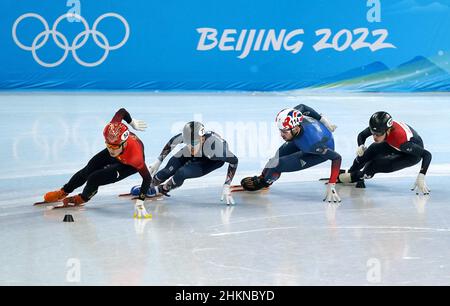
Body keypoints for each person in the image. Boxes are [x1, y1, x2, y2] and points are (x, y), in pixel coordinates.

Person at [42, 108, 153, 218]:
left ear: (123, 143)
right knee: (88, 169)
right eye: (108, 145)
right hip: (121, 154)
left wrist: (140, 201)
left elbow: (147, 178)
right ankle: (64, 191)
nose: (111, 150)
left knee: (95, 178)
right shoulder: (113, 128)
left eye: (114, 147)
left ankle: (83, 198)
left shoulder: (135, 157)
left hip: (127, 164)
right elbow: (122, 111)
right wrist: (132, 122)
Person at [241, 104, 342, 203]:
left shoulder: (312, 144)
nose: (281, 135)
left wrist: (331, 184)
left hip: (316, 152)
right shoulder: (294, 116)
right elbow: (303, 106)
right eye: (280, 131)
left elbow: (337, 158)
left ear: (296, 128)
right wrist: (323, 120)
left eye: (284, 132)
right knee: (276, 157)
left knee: (277, 164)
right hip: (303, 138)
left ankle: (264, 183)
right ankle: (263, 177)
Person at [131, 121, 238, 205]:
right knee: (165, 172)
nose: (190, 146)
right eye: (187, 142)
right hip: (195, 152)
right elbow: (172, 142)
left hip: (209, 162)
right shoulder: (190, 136)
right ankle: (151, 184)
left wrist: (227, 185)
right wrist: (158, 161)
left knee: (181, 173)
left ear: (202, 138)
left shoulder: (216, 149)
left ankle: (162, 189)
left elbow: (234, 161)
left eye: (193, 143)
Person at [338, 111, 432, 195]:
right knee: (367, 153)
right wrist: (361, 145)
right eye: (373, 132)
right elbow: (362, 135)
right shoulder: (379, 126)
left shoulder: (400, 140)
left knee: (373, 166)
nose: (375, 137)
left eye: (378, 134)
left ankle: (357, 176)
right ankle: (351, 172)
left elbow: (427, 155)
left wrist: (421, 175)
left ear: (388, 130)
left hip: (411, 154)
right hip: (393, 143)